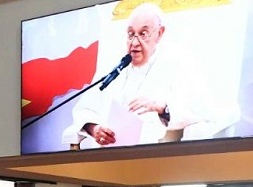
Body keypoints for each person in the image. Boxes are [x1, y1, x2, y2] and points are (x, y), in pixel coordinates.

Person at [63, 2, 230, 148]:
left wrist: (162, 107)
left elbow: (202, 111)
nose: (134, 43)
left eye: (143, 34)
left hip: (156, 156)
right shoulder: (115, 64)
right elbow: (86, 108)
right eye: (130, 34)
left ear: (159, 33)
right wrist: (94, 128)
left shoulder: (178, 60)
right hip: (109, 155)